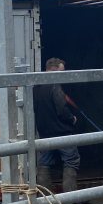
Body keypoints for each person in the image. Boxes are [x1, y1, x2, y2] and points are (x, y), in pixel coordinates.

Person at [33, 58, 81, 196]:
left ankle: (45, 196)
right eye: (61, 72)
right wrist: (72, 118)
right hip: (62, 131)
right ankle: (71, 196)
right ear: (54, 70)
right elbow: (61, 108)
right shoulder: (54, 86)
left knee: (44, 163)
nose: (63, 76)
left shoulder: (36, 85)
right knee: (71, 161)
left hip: (44, 131)